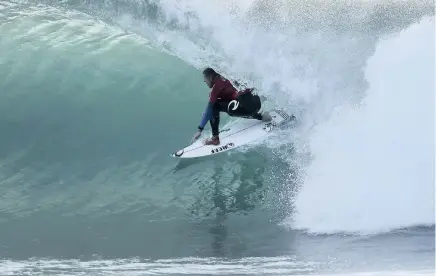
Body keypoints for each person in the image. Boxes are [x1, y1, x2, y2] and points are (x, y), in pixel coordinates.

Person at [192, 67, 271, 145]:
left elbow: (211, 107)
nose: (204, 81)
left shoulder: (216, 87)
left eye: (205, 79)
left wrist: (200, 129)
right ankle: (261, 116)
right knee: (235, 100)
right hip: (257, 102)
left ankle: (215, 139)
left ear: (210, 77)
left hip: (248, 108)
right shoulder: (227, 76)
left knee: (215, 106)